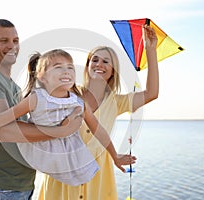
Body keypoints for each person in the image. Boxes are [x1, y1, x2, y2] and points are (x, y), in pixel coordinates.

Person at [0, 49, 136, 186]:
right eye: (58, 67)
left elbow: (99, 130)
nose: (66, 71)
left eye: (70, 68)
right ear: (42, 77)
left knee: (82, 179)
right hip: (41, 149)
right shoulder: (37, 98)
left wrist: (114, 156)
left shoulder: (78, 102)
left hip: (68, 153)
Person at [0, 19, 83, 200]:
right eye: (4, 41)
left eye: (15, 41)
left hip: (22, 185)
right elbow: (4, 131)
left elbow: (30, 128)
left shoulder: (15, 87)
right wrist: (60, 131)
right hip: (1, 188)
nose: (12, 46)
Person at [38, 25, 159, 199]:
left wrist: (150, 50)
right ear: (87, 66)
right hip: (63, 171)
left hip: (98, 175)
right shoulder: (69, 93)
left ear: (112, 71)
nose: (99, 64)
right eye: (94, 60)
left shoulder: (117, 102)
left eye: (105, 61)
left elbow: (151, 93)